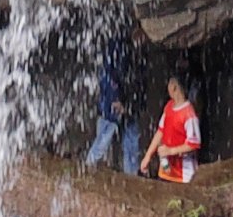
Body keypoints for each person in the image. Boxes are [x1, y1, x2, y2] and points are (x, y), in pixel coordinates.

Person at [86, 15, 142, 173]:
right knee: (105, 135)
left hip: (129, 102)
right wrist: (116, 99)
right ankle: (89, 165)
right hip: (115, 103)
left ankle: (131, 176)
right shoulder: (119, 47)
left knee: (129, 140)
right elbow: (110, 75)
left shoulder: (130, 48)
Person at [140, 73, 200, 184]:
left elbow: (193, 144)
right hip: (166, 171)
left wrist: (171, 151)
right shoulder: (169, 106)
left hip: (184, 175)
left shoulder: (189, 114)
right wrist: (148, 156)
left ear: (173, 87)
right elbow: (160, 132)